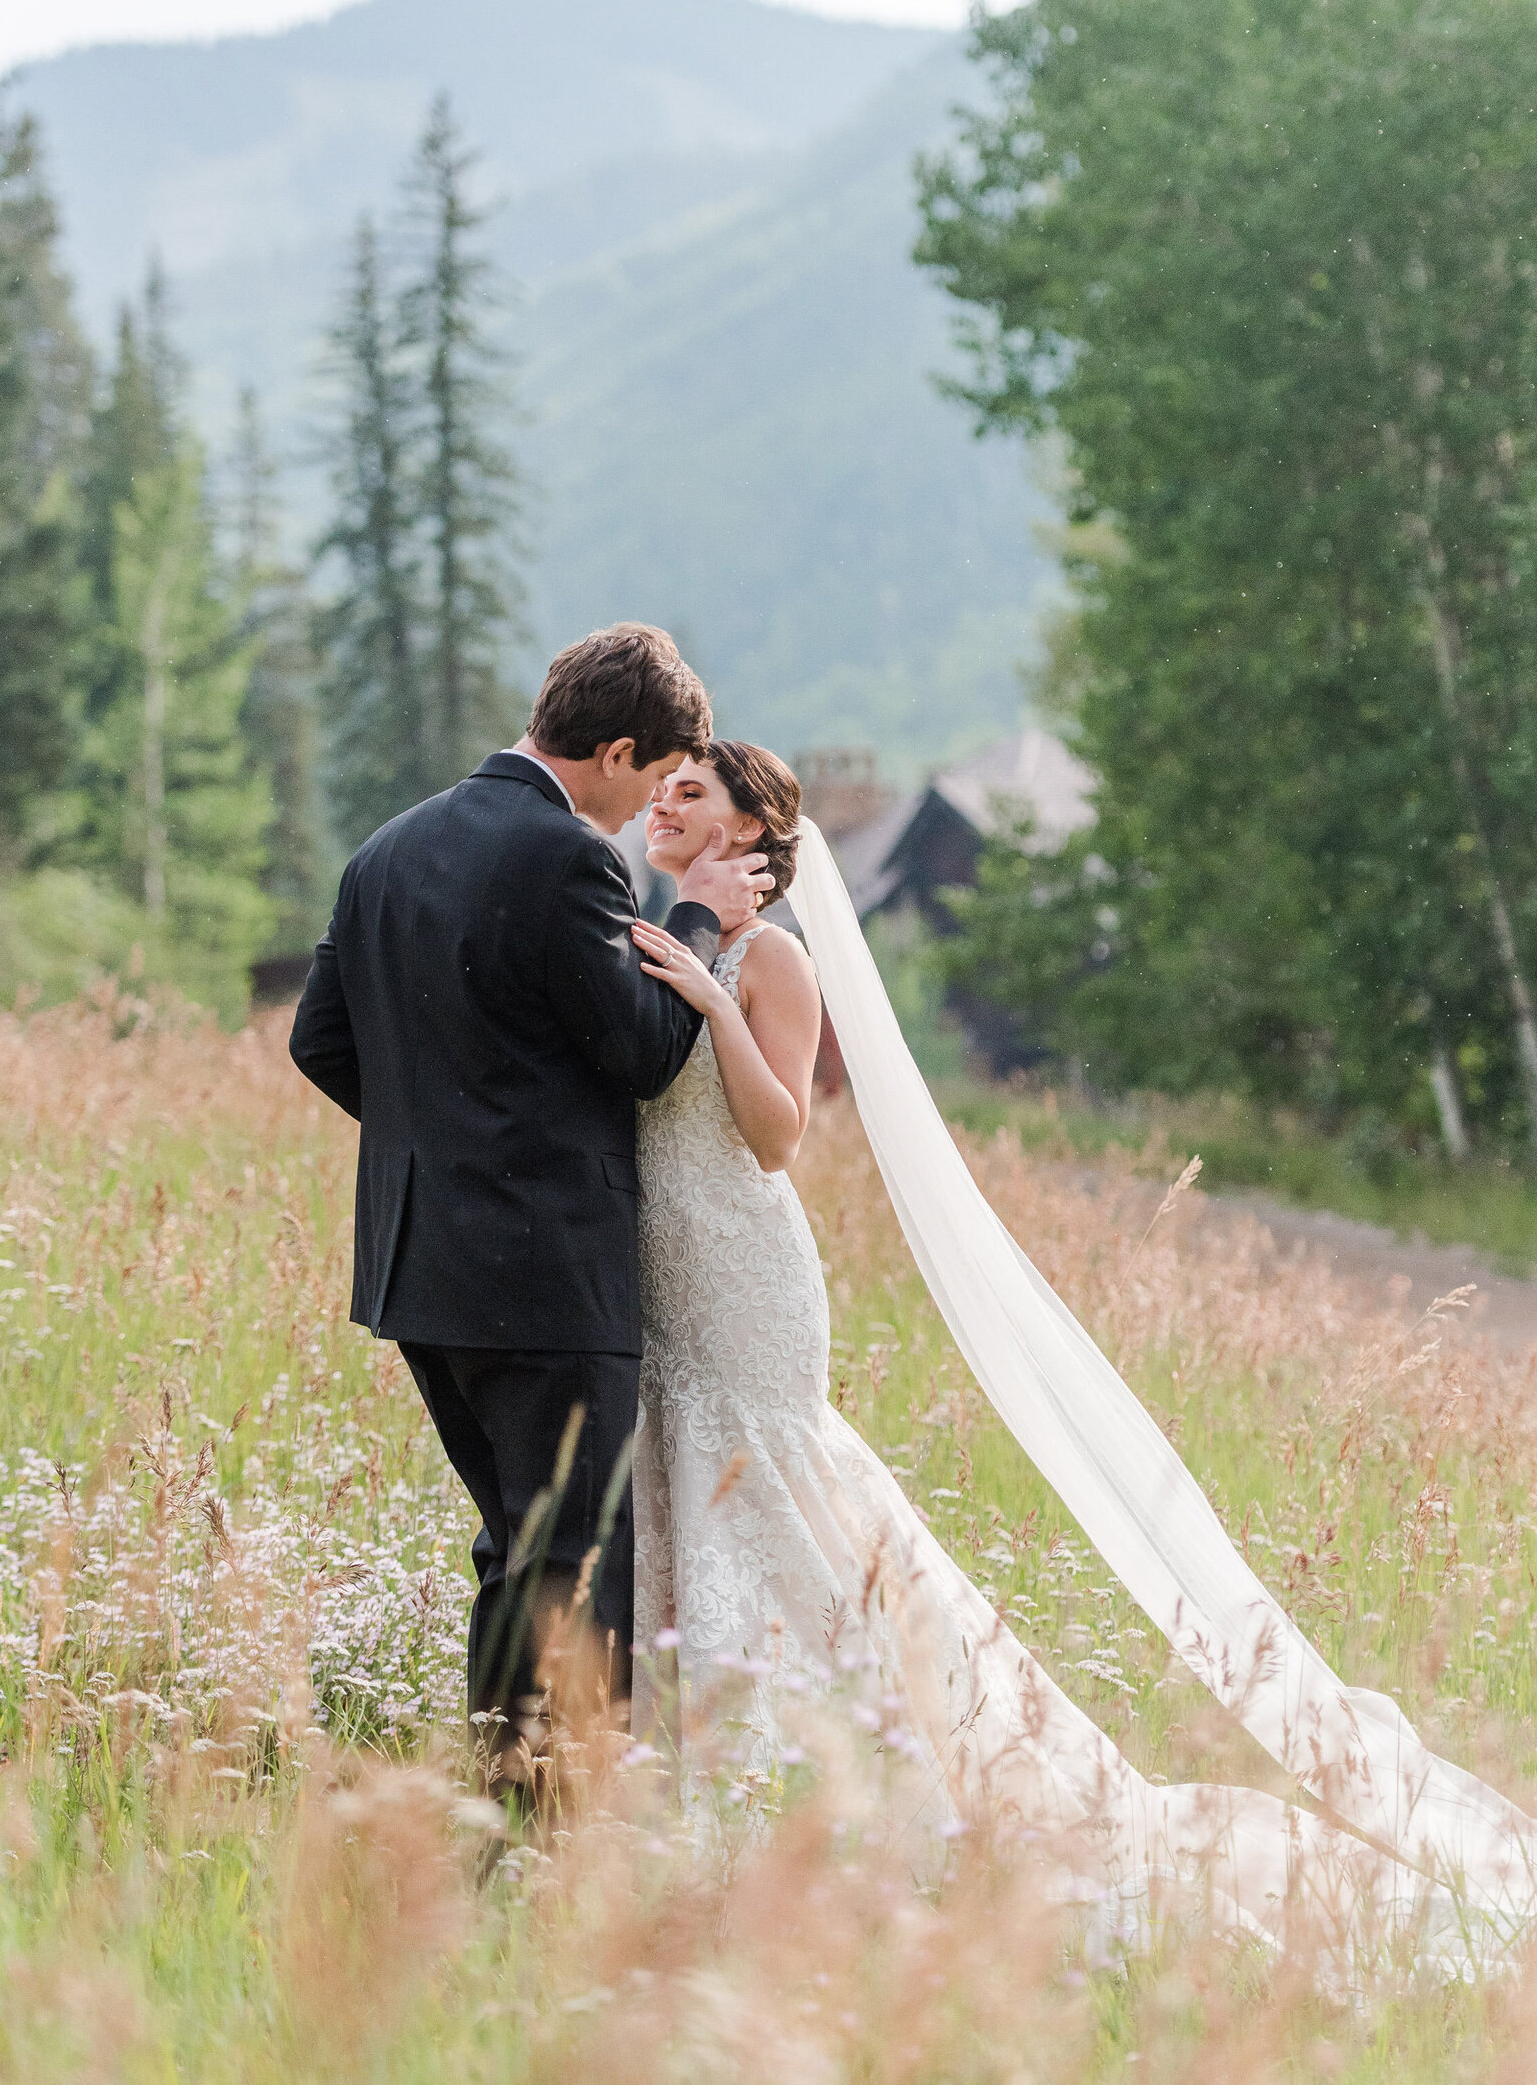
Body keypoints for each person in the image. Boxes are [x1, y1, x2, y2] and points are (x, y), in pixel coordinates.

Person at [628, 742, 1537, 1958]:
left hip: (747, 1267)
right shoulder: (654, 928)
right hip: (666, 1269)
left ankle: (851, 1772)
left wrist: (705, 1001)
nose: (659, 805)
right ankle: (698, 1774)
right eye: (660, 790)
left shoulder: (768, 957)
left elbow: (782, 1132)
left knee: (789, 1496)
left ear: (748, 829)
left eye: (689, 793)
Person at [288, 624, 772, 1784]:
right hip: (544, 1274)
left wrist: (444, 1142)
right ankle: (551, 1823)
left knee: (518, 1550)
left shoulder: (384, 849)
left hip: (420, 1270)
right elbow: (644, 1052)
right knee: (574, 1561)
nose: (646, 807)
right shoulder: (566, 858)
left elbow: (318, 1041)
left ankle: (502, 1801)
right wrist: (701, 916)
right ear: (612, 749)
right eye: (653, 779)